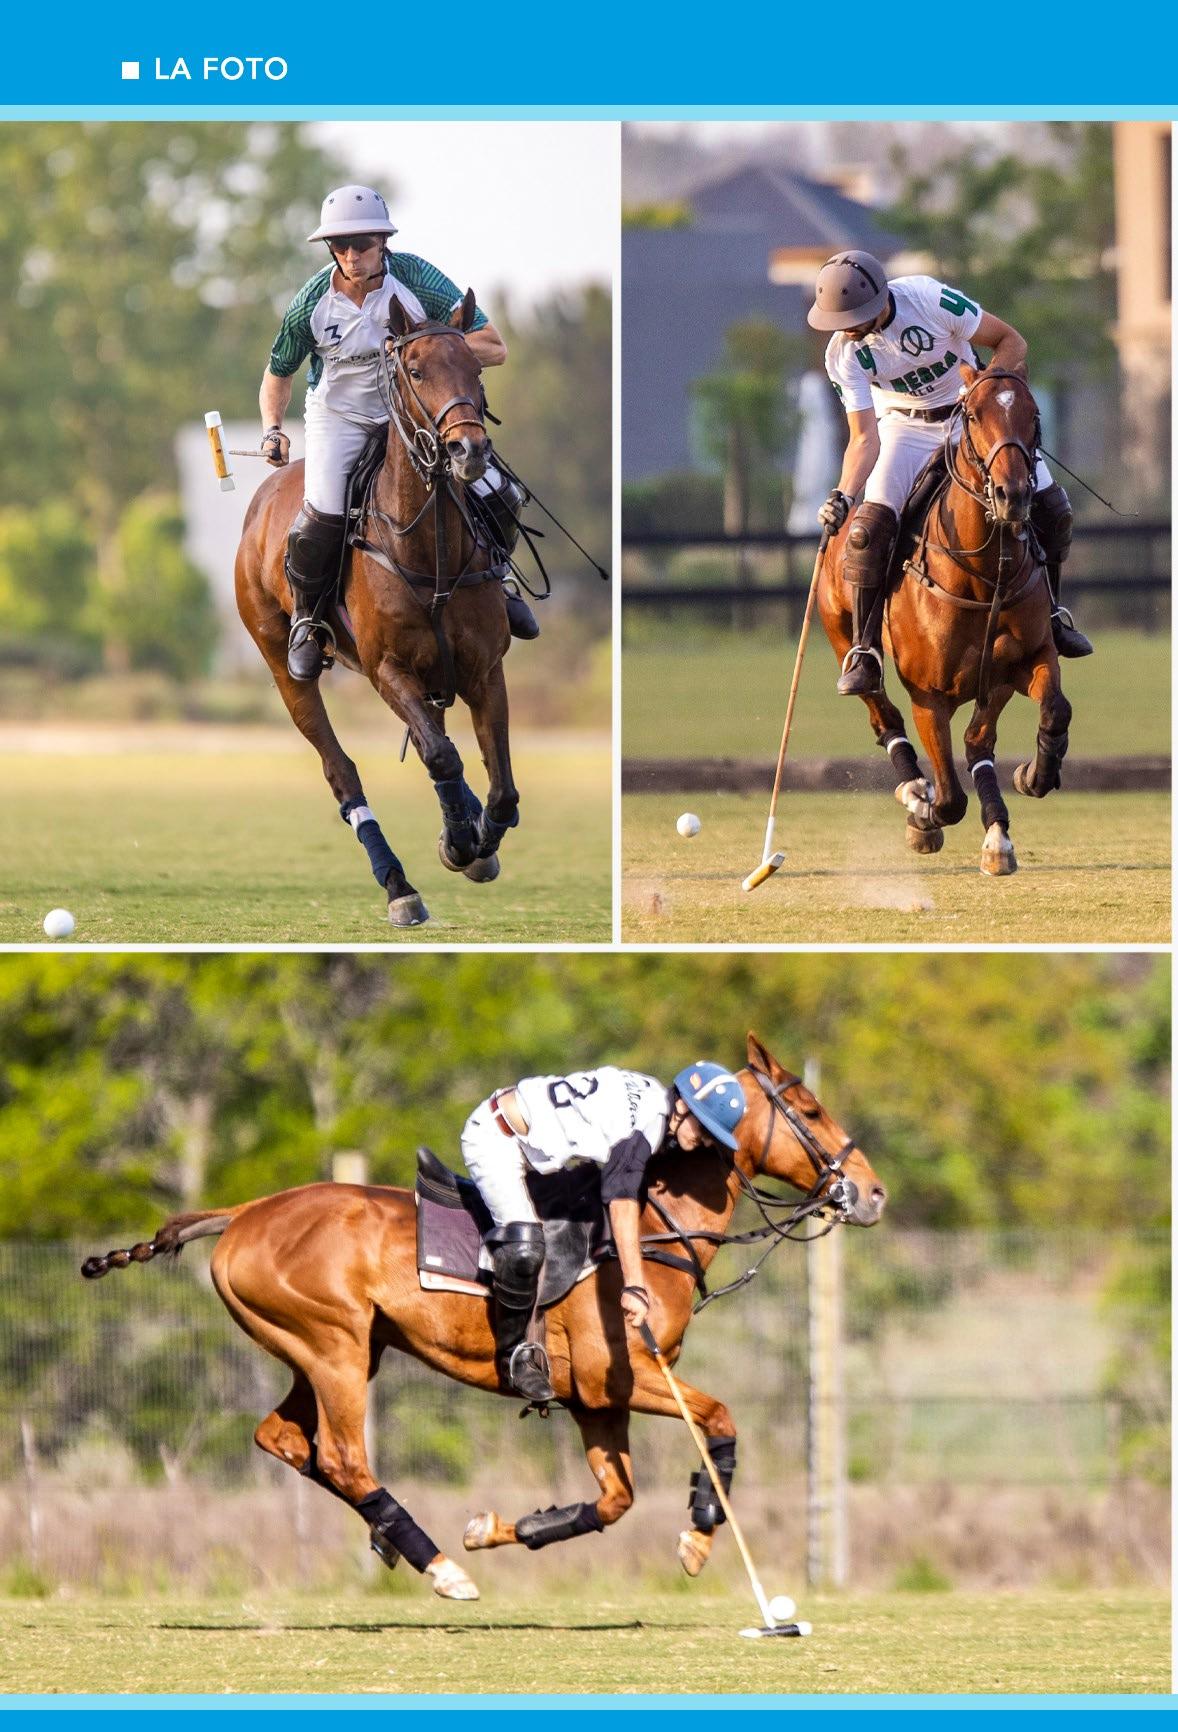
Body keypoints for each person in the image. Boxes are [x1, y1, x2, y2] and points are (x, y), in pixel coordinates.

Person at [259, 184, 537, 682]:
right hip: (338, 417)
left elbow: (494, 346)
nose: (351, 256)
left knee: (499, 493)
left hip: (407, 416)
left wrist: (428, 346)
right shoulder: (311, 303)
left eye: (362, 244)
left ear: (383, 241)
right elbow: (278, 374)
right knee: (321, 515)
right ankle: (307, 620)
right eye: (339, 246)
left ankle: (499, 585)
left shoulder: (415, 278)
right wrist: (272, 430)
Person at [809, 249, 1092, 697]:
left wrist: (984, 391)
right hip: (903, 430)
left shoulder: (928, 299)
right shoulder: (843, 354)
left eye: (854, 318)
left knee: (1054, 509)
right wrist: (843, 494)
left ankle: (1053, 615)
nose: (847, 328)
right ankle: (865, 651)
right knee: (865, 534)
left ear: (880, 299)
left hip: (971, 419)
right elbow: (863, 438)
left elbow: (1011, 342)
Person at [460, 1061, 748, 1402]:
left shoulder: (655, 1099)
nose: (705, 1141)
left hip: (537, 1150)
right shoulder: (648, 1124)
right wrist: (635, 1286)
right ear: (683, 1105)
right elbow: (622, 1202)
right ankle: (513, 1356)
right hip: (498, 1140)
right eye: (704, 1128)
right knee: (526, 1247)